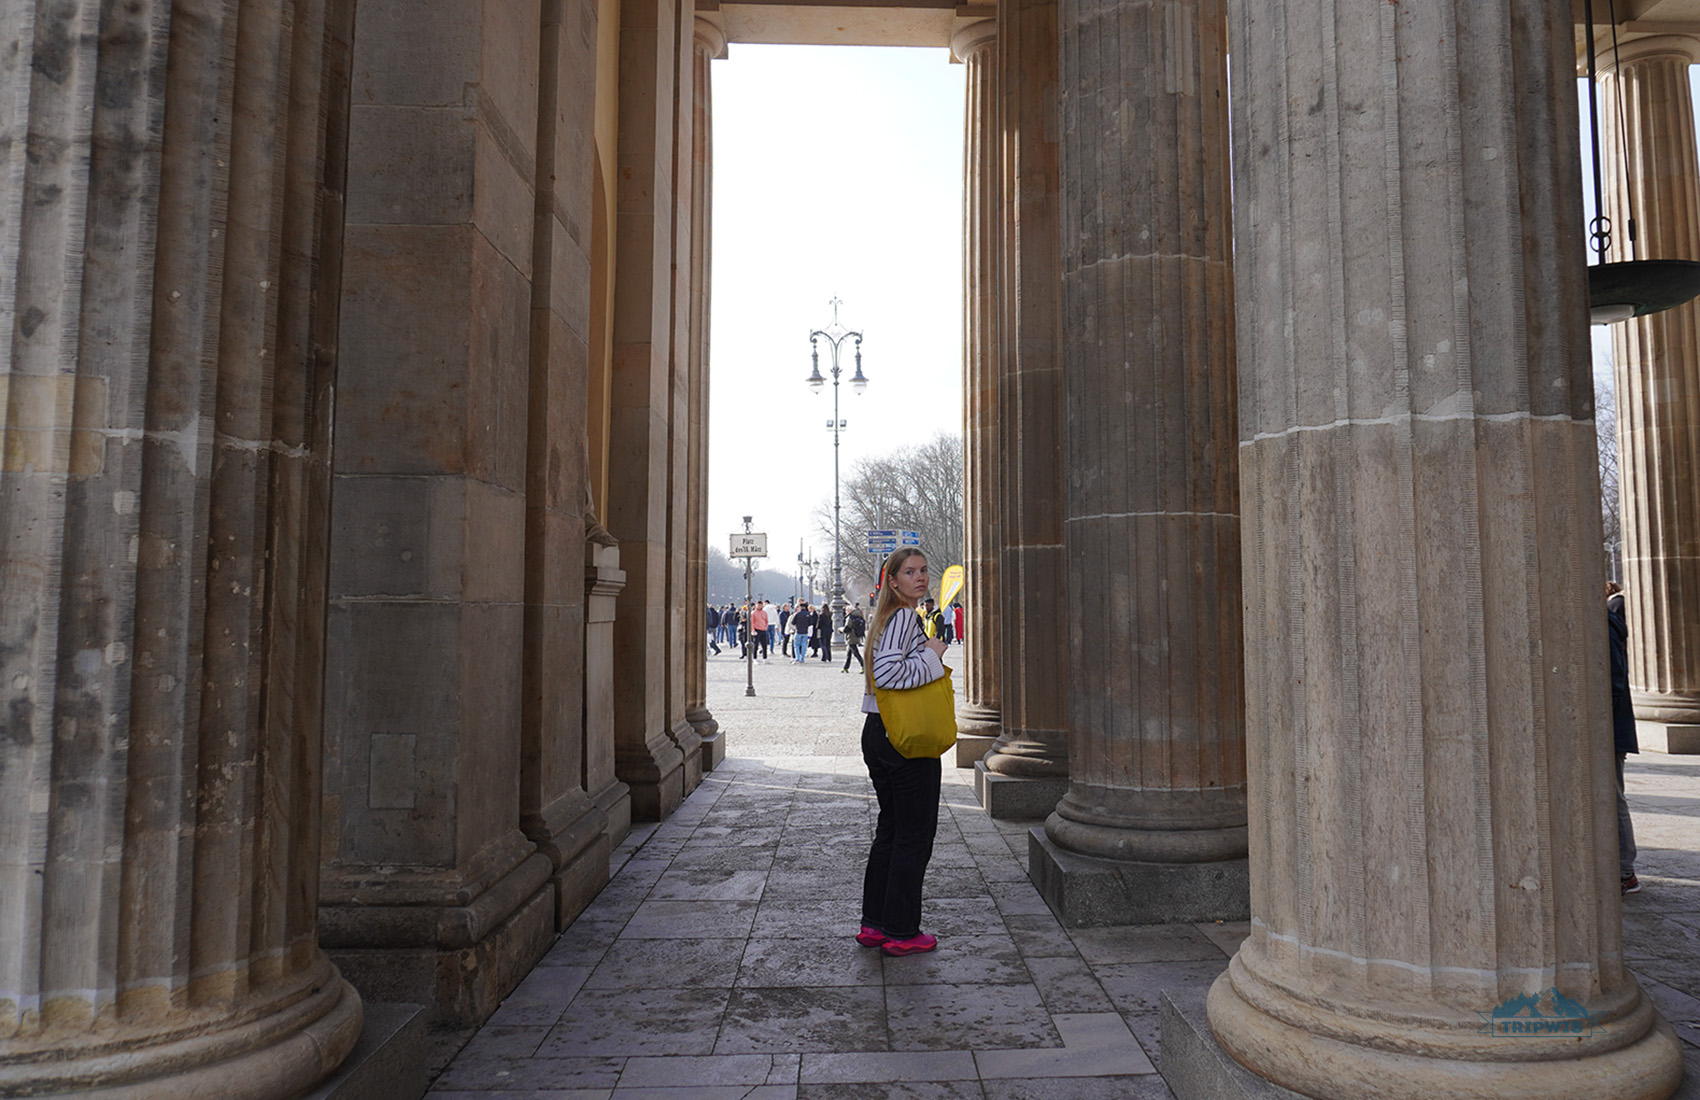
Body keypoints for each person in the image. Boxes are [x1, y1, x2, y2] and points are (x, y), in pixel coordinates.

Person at [856, 546, 948, 956]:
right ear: (892, 581)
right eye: (909, 572)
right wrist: (933, 654)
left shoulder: (884, 619)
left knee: (891, 830)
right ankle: (902, 931)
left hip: (878, 730)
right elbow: (890, 672)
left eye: (924, 570)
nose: (920, 577)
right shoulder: (905, 617)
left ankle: (875, 924)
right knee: (914, 834)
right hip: (904, 737)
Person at [1608, 582, 1641, 894]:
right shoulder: (1607, 623)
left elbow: (1613, 682)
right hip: (1612, 727)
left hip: (1608, 729)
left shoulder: (1603, 625)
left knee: (1613, 796)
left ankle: (1624, 871)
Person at [842, 604, 866, 672]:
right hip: (856, 635)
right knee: (849, 653)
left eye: (846, 610)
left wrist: (842, 630)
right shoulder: (858, 616)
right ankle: (846, 667)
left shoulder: (850, 617)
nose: (846, 611)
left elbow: (848, 627)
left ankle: (864, 665)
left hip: (851, 637)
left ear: (849, 610)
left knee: (856, 653)